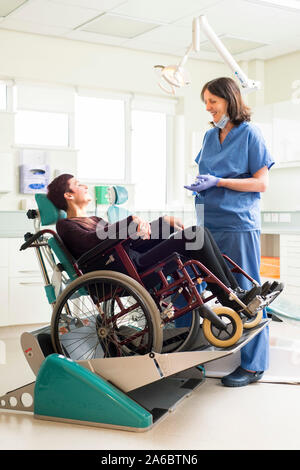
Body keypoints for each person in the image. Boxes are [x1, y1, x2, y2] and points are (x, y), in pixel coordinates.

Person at [46, 173, 266, 314]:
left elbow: (119, 236)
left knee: (198, 233)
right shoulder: (65, 225)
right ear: (68, 195)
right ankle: (230, 298)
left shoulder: (95, 219)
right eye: (77, 184)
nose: (84, 185)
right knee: (192, 236)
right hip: (125, 271)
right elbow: (93, 241)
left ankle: (235, 291)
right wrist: (131, 222)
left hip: (130, 260)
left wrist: (163, 222)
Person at [185, 76, 278, 387]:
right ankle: (193, 353)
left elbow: (261, 183)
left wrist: (220, 182)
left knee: (247, 294)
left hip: (238, 223)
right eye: (206, 103)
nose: (209, 108)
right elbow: (205, 176)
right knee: (206, 287)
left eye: (213, 101)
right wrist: (201, 186)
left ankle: (253, 366)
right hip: (208, 222)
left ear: (230, 100)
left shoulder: (250, 134)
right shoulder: (210, 137)